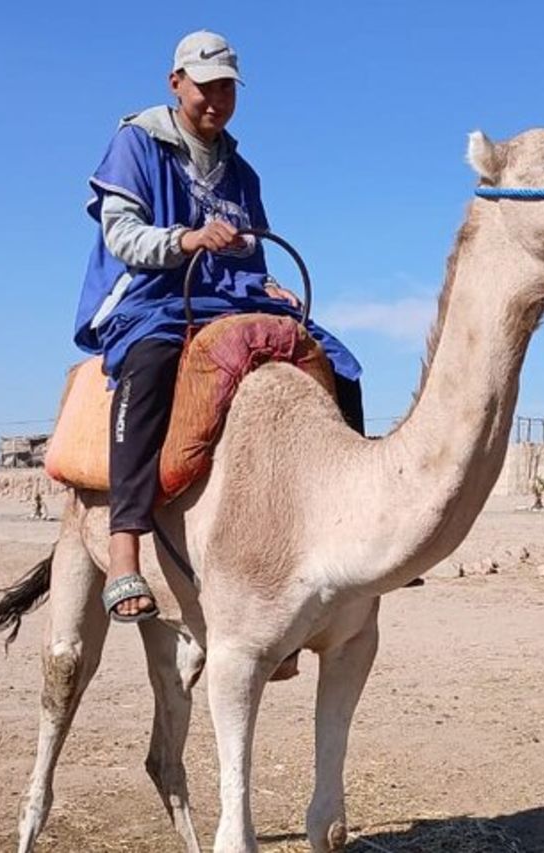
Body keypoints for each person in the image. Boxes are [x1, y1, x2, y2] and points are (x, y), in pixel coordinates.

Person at [72, 30, 364, 622]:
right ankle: (125, 546)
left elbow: (249, 252)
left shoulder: (242, 173)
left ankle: (352, 526)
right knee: (151, 362)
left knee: (338, 361)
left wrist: (269, 283)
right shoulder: (137, 145)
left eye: (226, 88)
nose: (216, 100)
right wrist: (189, 239)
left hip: (228, 296)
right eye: (205, 87)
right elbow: (120, 234)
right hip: (152, 295)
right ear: (176, 83)